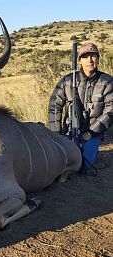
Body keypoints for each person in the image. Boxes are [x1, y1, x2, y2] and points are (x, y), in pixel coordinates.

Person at [48, 43, 113, 172]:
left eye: (93, 56)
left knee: (84, 167)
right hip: (69, 132)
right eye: (85, 56)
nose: (90, 60)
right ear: (79, 61)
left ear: (98, 59)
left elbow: (111, 111)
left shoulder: (107, 81)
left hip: (93, 134)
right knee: (58, 163)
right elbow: (54, 106)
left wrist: (90, 133)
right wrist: (56, 134)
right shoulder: (67, 81)